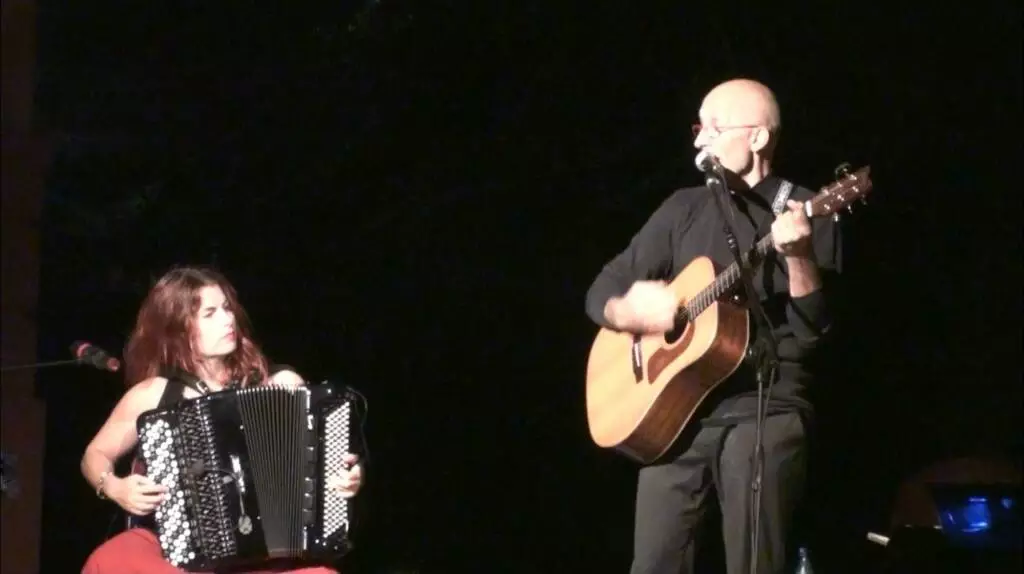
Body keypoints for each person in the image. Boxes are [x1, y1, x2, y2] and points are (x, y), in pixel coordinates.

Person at [584, 78, 842, 574]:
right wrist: (628, 312)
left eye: (714, 128)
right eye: (698, 128)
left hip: (765, 407)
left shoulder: (807, 210)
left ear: (758, 138)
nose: (700, 139)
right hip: (677, 415)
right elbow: (602, 289)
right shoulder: (683, 208)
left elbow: (813, 334)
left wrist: (799, 257)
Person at [80, 266, 364, 574]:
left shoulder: (281, 385)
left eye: (227, 309)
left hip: (270, 559)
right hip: (179, 556)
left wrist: (346, 477)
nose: (228, 319)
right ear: (179, 329)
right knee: (112, 559)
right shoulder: (152, 395)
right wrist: (114, 487)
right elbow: (95, 454)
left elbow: (319, 468)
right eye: (210, 313)